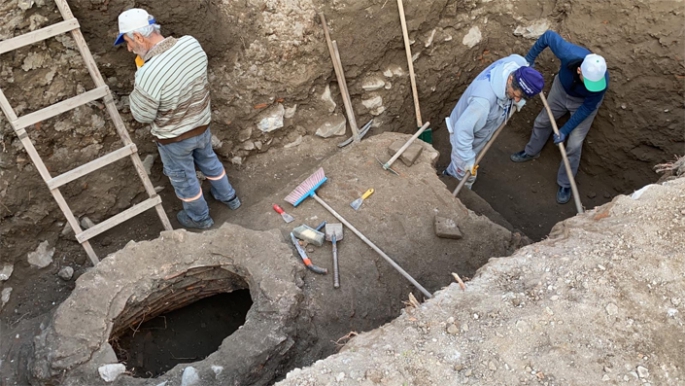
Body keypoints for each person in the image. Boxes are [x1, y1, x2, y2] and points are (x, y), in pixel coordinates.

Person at [114, 8, 240, 229]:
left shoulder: (148, 74)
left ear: (139, 37)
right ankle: (229, 197)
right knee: (209, 161)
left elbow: (142, 115)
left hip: (174, 140)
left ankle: (199, 218)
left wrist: (142, 75)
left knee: (185, 180)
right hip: (201, 126)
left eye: (128, 42)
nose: (129, 48)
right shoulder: (191, 43)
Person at [510, 30, 609, 204]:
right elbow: (548, 36)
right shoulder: (569, 53)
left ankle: (565, 182)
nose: (594, 85)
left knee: (574, 144)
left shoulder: (600, 84)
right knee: (542, 121)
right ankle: (531, 152)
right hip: (561, 90)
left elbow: (586, 109)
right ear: (579, 70)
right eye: (589, 82)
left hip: (583, 103)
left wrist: (565, 130)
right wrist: (528, 61)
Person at [443, 54, 544, 189]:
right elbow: (462, 133)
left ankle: (448, 173)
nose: (518, 100)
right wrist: (467, 162)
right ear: (510, 78)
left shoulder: (517, 62)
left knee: (464, 161)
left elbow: (526, 63)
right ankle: (457, 191)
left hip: (478, 126)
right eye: (516, 95)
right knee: (465, 174)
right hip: (463, 135)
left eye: (522, 98)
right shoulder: (483, 103)